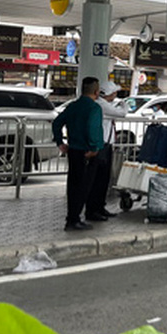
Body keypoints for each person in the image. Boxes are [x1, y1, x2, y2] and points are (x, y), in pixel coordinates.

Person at [52, 77, 104, 231]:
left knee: (73, 185)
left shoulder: (73, 106)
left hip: (73, 150)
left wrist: (60, 141)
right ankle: (74, 219)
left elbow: (57, 123)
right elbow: (92, 128)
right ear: (96, 91)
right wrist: (94, 148)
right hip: (87, 152)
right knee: (83, 186)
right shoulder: (94, 108)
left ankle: (71, 217)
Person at [88, 80, 128, 221]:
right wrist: (124, 104)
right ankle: (93, 209)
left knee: (103, 179)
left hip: (105, 144)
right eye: (114, 92)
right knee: (98, 179)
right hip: (102, 144)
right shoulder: (102, 105)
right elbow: (122, 113)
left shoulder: (103, 104)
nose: (116, 94)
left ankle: (99, 207)